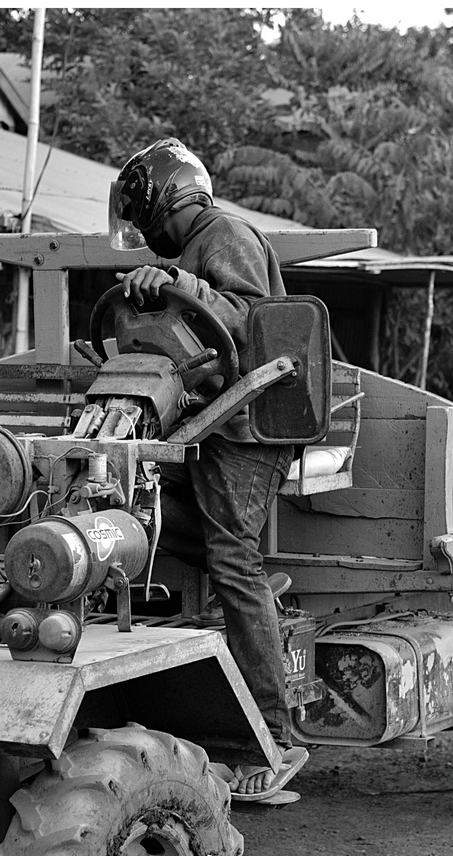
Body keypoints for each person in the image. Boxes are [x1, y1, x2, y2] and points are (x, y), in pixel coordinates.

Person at [110, 137, 309, 802]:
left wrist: (179, 283)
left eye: (146, 222)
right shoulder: (194, 249)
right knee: (137, 511)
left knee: (232, 561)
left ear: (168, 199)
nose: (146, 238)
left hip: (248, 428)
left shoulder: (223, 233)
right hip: (209, 422)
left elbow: (250, 318)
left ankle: (275, 741)